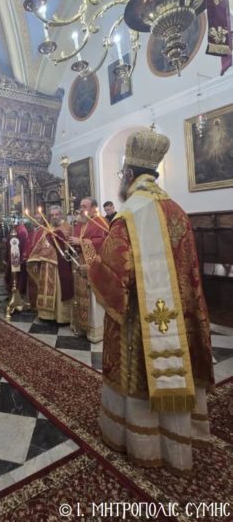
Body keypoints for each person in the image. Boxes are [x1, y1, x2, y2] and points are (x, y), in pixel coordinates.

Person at [88, 127, 214, 476]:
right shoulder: (178, 211)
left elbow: (114, 277)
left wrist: (91, 268)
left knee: (140, 371)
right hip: (178, 317)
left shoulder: (128, 215)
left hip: (139, 322)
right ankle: (176, 439)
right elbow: (190, 272)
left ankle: (142, 440)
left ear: (129, 173)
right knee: (172, 366)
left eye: (121, 173)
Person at [69, 198, 109, 337]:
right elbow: (75, 239)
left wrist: (80, 242)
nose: (81, 209)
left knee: (92, 296)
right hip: (79, 262)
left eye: (84, 206)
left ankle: (93, 330)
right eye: (80, 206)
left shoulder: (100, 222)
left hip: (93, 265)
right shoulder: (81, 223)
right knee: (79, 295)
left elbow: (102, 242)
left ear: (93, 208)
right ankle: (81, 325)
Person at [27, 205, 73, 324]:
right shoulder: (47, 228)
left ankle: (61, 316)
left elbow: (68, 245)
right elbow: (40, 244)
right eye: (52, 215)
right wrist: (34, 258)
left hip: (59, 264)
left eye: (56, 214)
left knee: (59, 290)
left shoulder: (67, 227)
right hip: (45, 264)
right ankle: (46, 315)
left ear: (61, 215)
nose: (54, 217)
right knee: (45, 289)